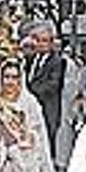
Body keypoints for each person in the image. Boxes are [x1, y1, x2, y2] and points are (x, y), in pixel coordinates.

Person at [25, 21, 65, 155]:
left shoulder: (57, 61)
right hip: (31, 107)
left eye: (45, 41)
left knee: (46, 141)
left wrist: (31, 94)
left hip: (47, 107)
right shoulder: (31, 58)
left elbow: (53, 85)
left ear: (51, 43)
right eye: (38, 41)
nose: (41, 44)